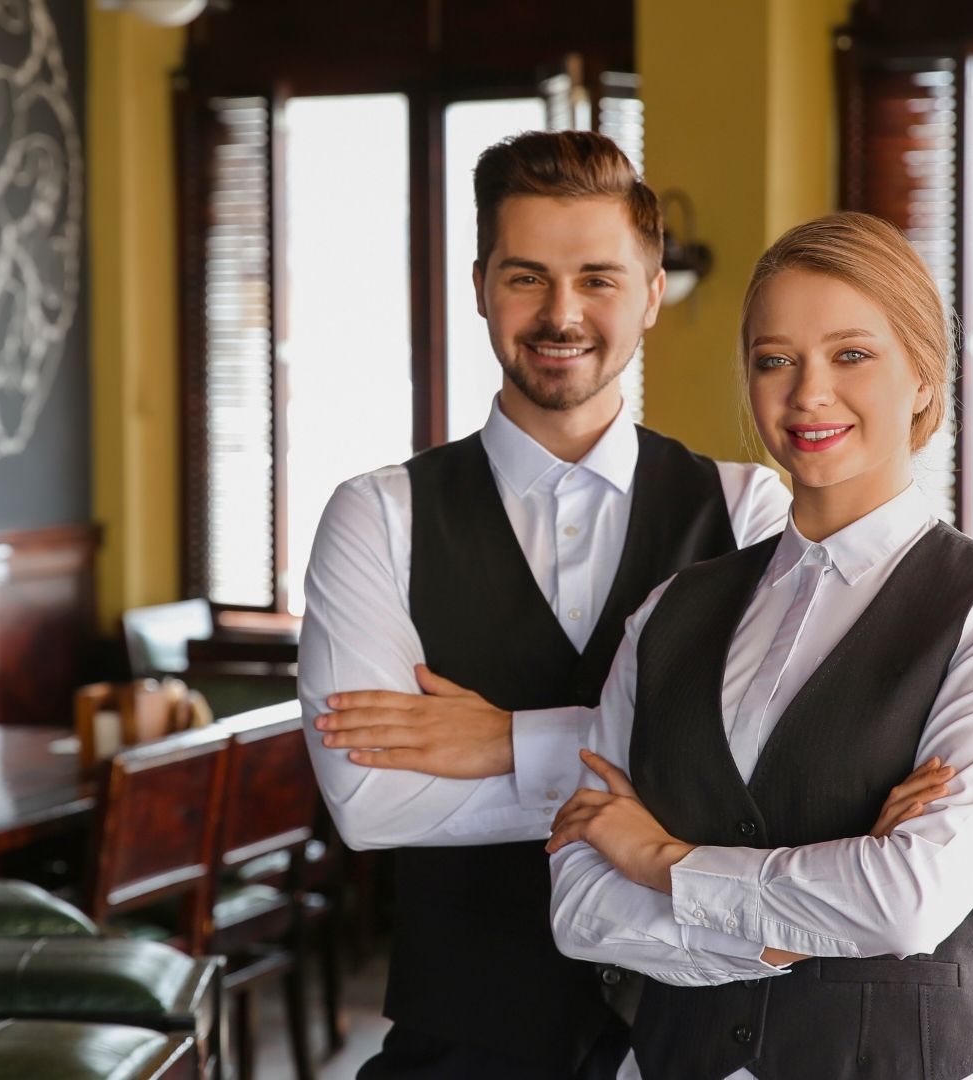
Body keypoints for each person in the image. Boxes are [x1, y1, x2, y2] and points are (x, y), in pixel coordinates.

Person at [295, 130, 792, 1079]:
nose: (562, 313)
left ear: (651, 294)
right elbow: (368, 801)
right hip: (462, 1049)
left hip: (698, 1047)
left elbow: (769, 773)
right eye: (527, 277)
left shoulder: (749, 510)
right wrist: (661, 775)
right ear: (481, 286)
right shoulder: (378, 516)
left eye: (598, 279)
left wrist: (506, 742)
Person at [545, 210, 973, 1079]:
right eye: (775, 360)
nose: (808, 394)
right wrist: (796, 930)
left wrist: (662, 860)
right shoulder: (669, 612)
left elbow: (908, 902)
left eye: (851, 354)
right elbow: (579, 905)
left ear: (923, 377)